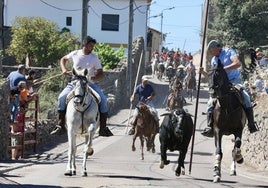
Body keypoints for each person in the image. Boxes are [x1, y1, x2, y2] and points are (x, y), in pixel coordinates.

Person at [50, 36, 113, 137]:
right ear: (84, 45)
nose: (92, 48)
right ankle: (60, 125)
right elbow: (63, 59)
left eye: (93, 46)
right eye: (90, 45)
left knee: (103, 100)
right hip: (74, 83)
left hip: (89, 83)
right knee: (61, 97)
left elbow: (101, 73)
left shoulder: (94, 58)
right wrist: (63, 69)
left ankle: (103, 128)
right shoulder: (75, 53)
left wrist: (92, 77)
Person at [199, 40, 258, 137]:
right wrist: (203, 73)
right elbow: (212, 77)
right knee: (210, 102)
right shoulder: (214, 60)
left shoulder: (229, 52)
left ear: (216, 48)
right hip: (222, 86)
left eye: (211, 50)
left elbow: (238, 64)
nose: (210, 52)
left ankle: (251, 124)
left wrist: (223, 69)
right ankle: (210, 127)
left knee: (246, 97)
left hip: (234, 81)